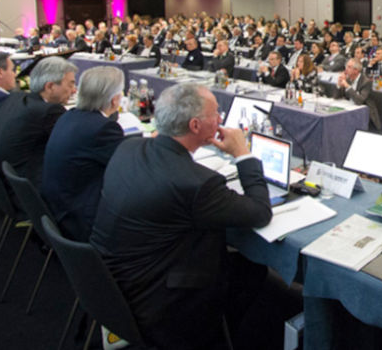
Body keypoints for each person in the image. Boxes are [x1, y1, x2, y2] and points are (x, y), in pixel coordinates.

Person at [90, 83, 277, 349]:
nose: (220, 119)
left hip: (109, 283)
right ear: (195, 125)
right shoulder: (197, 184)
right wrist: (243, 154)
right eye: (216, 114)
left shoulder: (128, 147)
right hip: (158, 302)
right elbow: (260, 212)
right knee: (250, 268)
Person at [40, 67, 127, 241]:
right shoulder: (102, 129)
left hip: (59, 206)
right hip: (81, 219)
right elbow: (129, 168)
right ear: (115, 99)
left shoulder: (70, 115)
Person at [0, 56, 76, 186]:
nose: (74, 90)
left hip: (6, 176)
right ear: (50, 86)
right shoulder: (49, 111)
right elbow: (71, 148)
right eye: (71, 84)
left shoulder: (14, 98)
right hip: (32, 182)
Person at [334, 59, 378, 129]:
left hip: (364, 114)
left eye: (349, 67)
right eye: (346, 66)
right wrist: (339, 85)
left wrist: (347, 86)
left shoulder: (366, 82)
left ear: (356, 70)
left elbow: (359, 101)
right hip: (349, 110)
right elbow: (336, 97)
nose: (346, 69)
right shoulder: (348, 79)